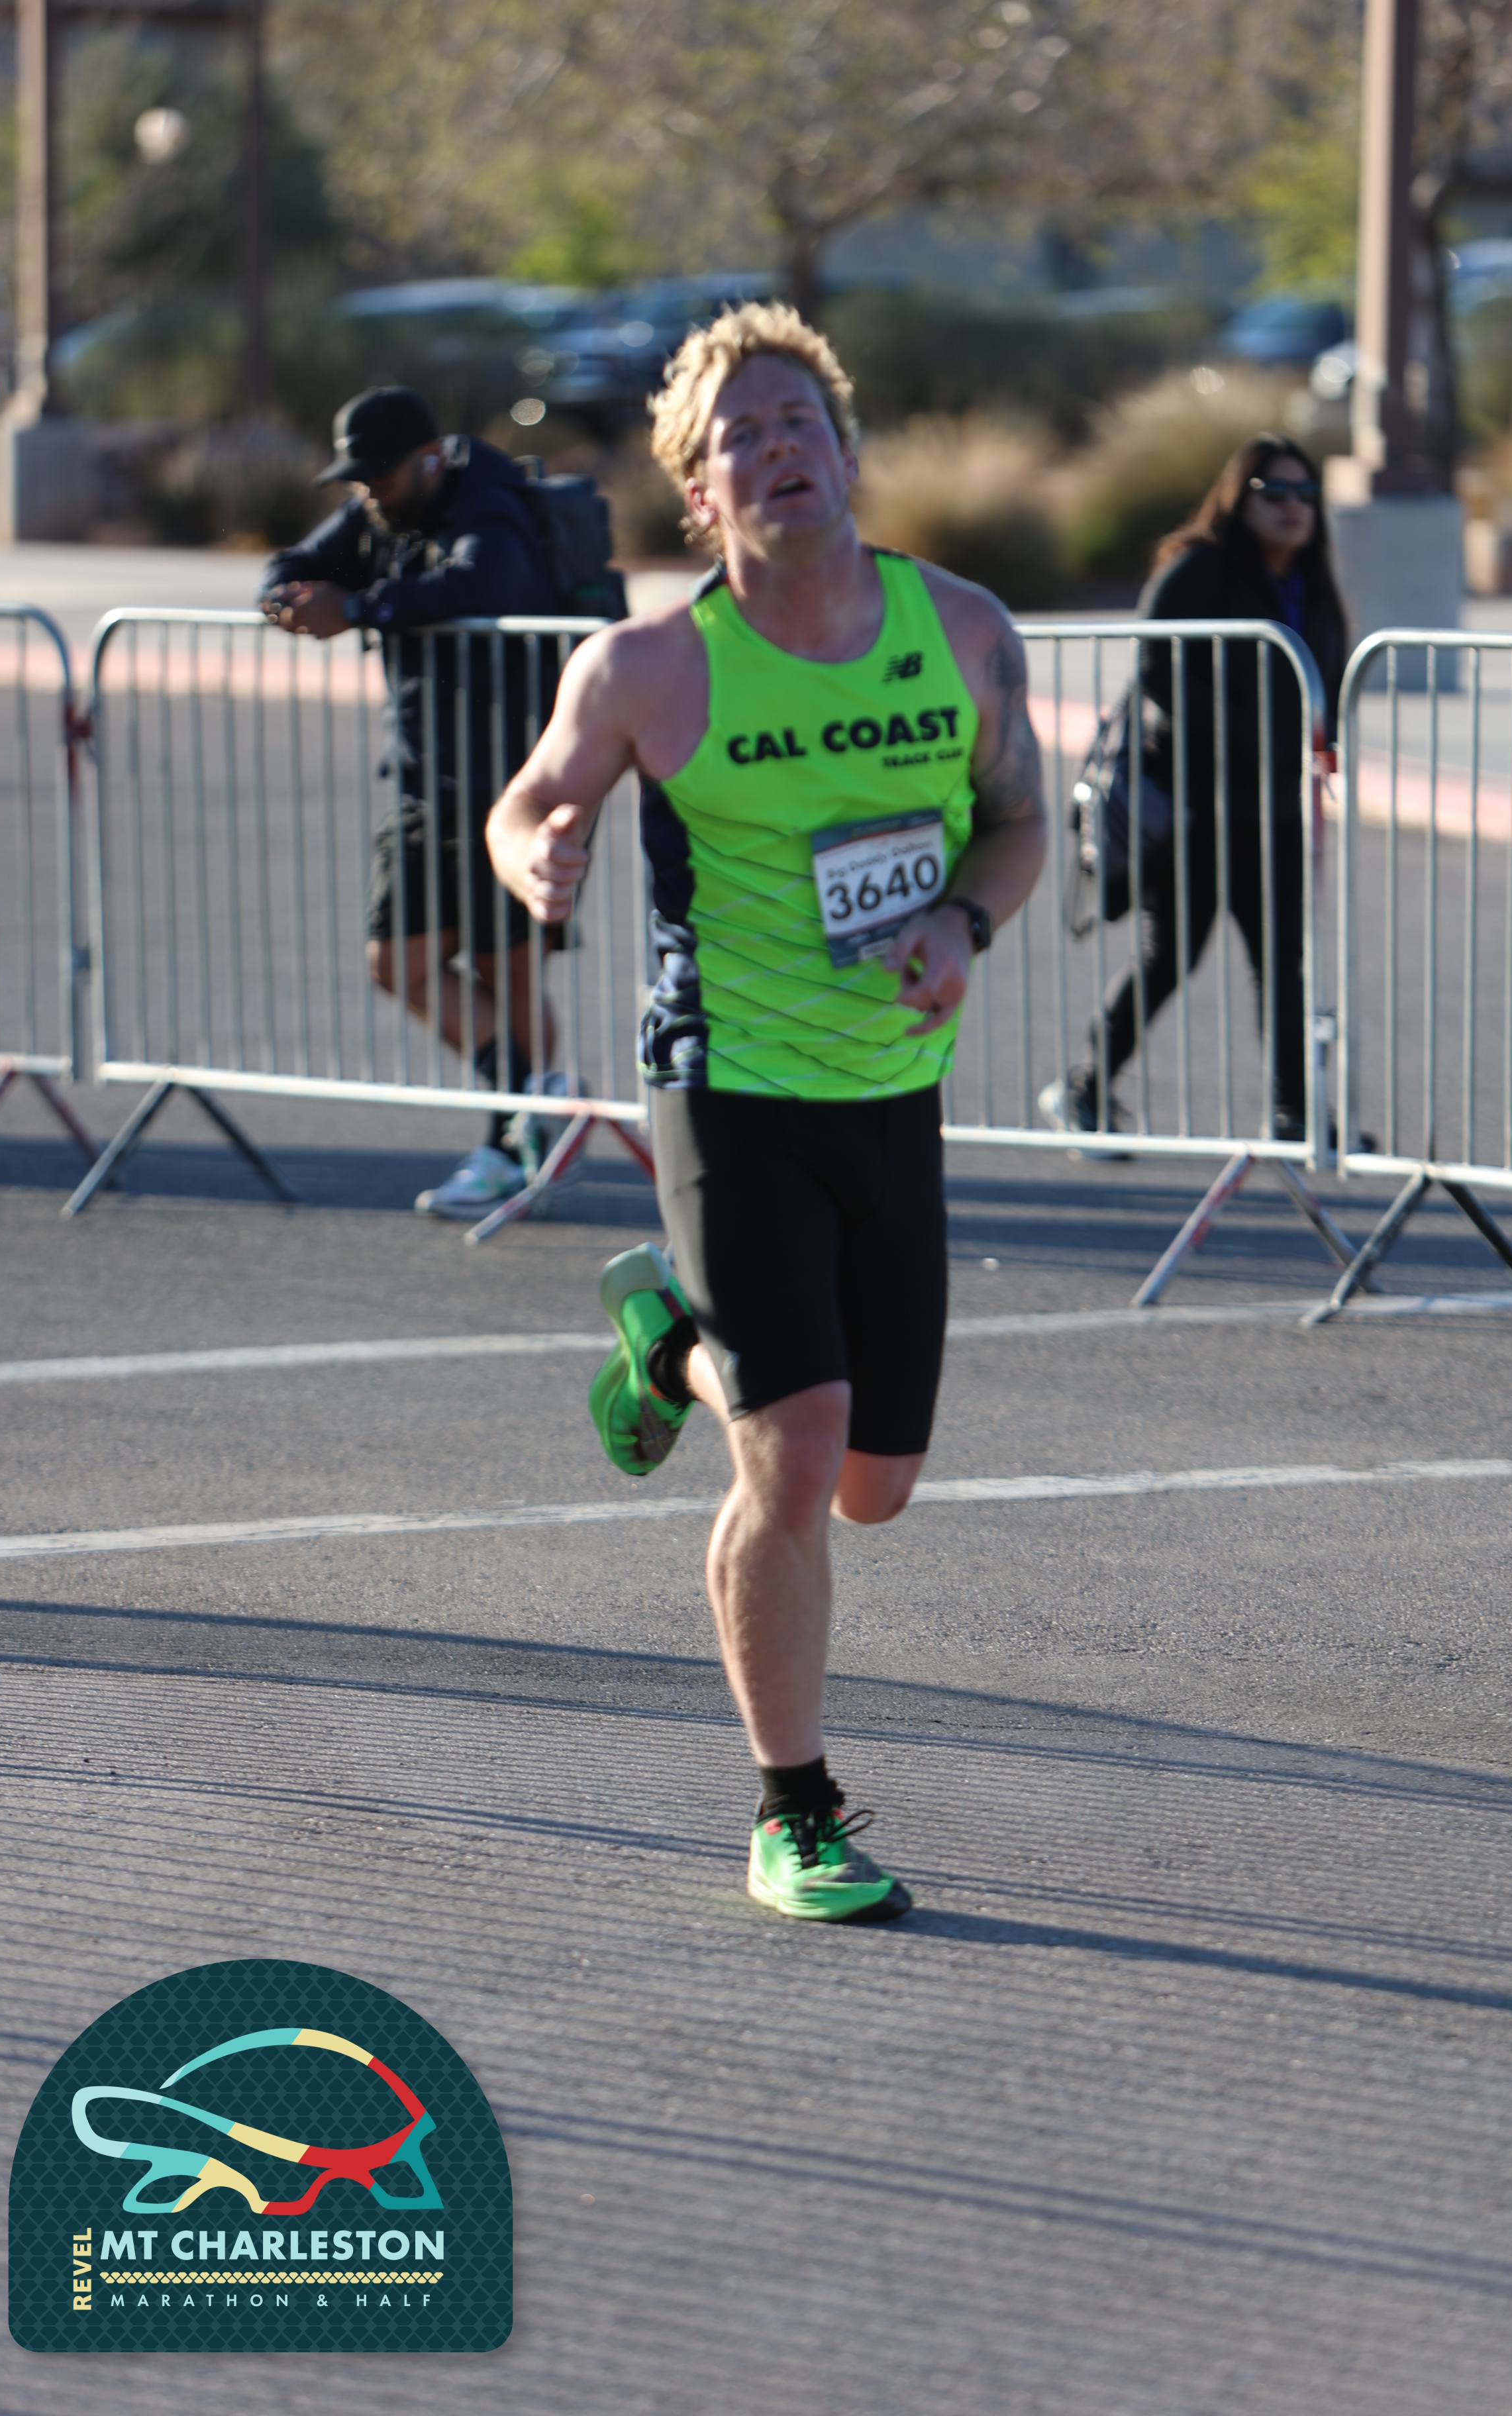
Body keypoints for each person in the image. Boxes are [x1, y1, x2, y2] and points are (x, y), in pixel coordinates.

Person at [487, 303, 1047, 1921]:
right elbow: (527, 805)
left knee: (874, 1484)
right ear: (701, 494)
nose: (779, 447)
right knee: (792, 1463)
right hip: (727, 1091)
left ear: (846, 455)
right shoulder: (651, 669)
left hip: (893, 1098)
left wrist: (964, 921)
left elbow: (1013, 822)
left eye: (801, 420)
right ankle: (793, 1812)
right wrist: (536, 856)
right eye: (742, 435)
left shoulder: (960, 632)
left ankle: (668, 1342)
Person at [262, 385, 565, 1214]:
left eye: (381, 475)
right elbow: (291, 565)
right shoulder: (378, 511)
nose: (368, 491)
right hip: (425, 775)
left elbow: (483, 583)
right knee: (396, 961)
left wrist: (359, 608)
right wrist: (286, 601)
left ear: (429, 459)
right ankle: (539, 1103)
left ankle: (512, 1143)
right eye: (357, 478)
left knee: (507, 969)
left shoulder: (489, 501)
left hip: (512, 781)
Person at [1040, 434, 1347, 1146]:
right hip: (1193, 807)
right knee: (1169, 959)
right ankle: (1084, 1088)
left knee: (1283, 965)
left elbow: (1324, 681)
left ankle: (1294, 1115)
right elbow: (1157, 667)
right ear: (1239, 497)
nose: (1294, 508)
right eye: (1275, 492)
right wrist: (1245, 732)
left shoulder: (1312, 582)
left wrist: (1313, 740)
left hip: (1274, 809)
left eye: (1306, 494)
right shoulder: (1199, 568)